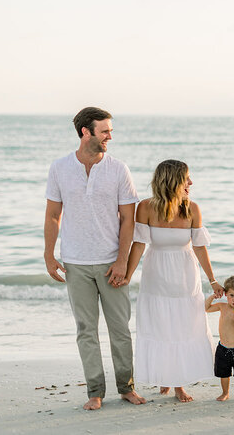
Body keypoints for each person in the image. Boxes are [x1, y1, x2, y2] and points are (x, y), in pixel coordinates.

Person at [43, 106, 146, 410]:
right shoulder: (60, 168)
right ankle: (95, 392)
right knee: (85, 330)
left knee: (119, 329)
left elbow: (129, 220)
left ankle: (126, 387)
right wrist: (49, 255)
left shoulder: (118, 169)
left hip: (110, 263)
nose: (109, 137)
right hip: (75, 263)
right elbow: (52, 215)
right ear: (86, 132)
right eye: (104, 131)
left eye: (110, 131)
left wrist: (122, 261)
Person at [122, 159, 223, 402]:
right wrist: (127, 275)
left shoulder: (192, 209)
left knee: (184, 326)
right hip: (156, 276)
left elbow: (200, 248)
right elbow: (138, 245)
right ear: (172, 180)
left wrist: (213, 280)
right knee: (160, 326)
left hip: (185, 278)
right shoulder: (145, 207)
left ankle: (179, 384)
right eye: (186, 178)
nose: (191, 182)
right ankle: (165, 378)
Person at [205, 275, 234, 402]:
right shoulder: (222, 307)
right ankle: (225, 393)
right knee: (224, 374)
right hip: (223, 348)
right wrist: (212, 297)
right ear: (226, 294)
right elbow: (206, 308)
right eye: (231, 295)